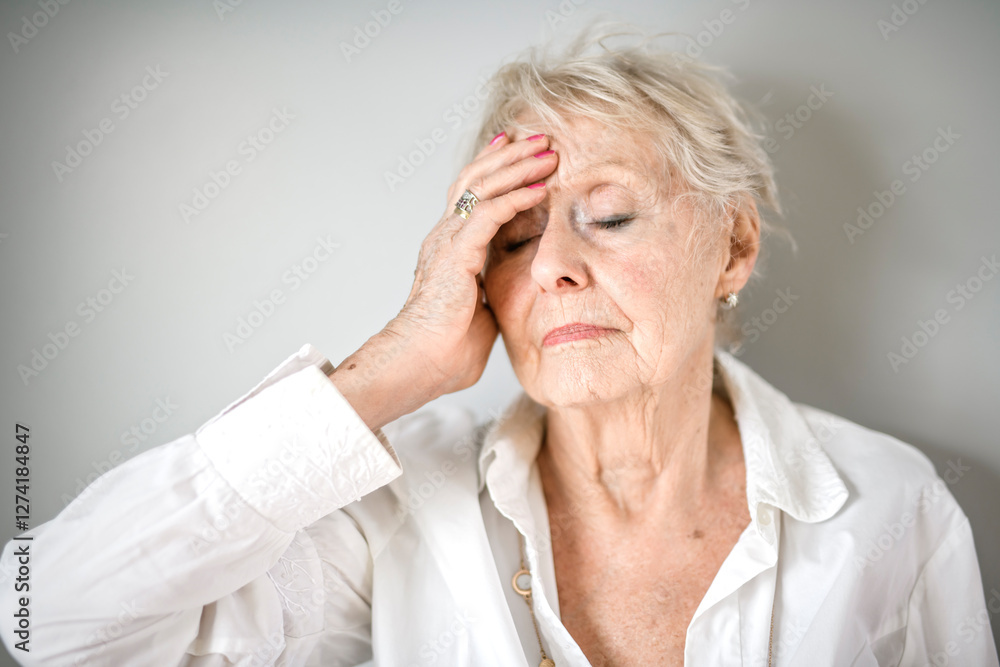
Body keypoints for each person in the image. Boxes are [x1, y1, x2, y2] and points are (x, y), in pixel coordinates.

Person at [1, 23, 996, 667]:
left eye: (607, 218)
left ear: (731, 245)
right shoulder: (392, 510)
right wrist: (388, 368)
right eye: (512, 236)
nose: (552, 265)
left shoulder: (891, 506)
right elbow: (38, 618)